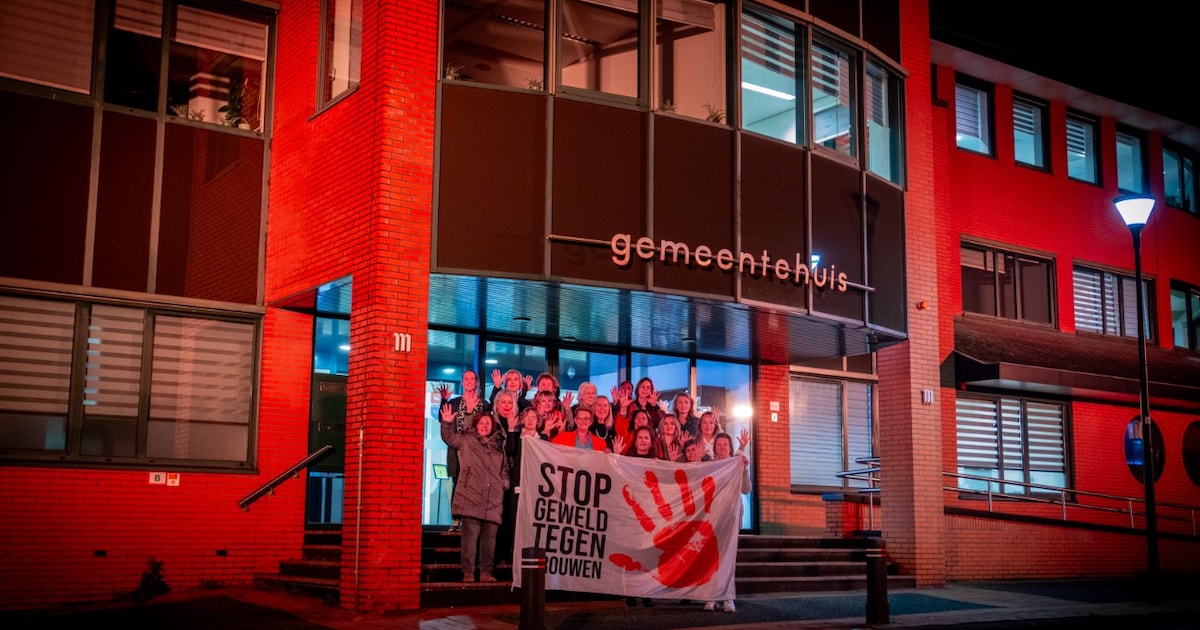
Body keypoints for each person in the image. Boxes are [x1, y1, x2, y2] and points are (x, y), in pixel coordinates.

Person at [439, 407, 508, 583]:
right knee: (469, 540)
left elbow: (504, 468)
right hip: (470, 496)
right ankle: (468, 572)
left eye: (488, 423)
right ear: (476, 425)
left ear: (493, 426)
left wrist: (503, 483)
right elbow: (450, 438)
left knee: (489, 541)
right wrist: (446, 423)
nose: (484, 426)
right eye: (481, 423)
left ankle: (486, 572)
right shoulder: (466, 440)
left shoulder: (499, 446)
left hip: (493, 499)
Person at [437, 370, 489, 531]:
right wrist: (444, 400)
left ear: (476, 382)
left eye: (472, 379)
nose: (469, 381)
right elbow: (442, 419)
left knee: (475, 484)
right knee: (458, 484)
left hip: (477, 452)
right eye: (466, 379)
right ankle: (456, 520)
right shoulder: (454, 402)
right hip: (457, 450)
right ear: (462, 382)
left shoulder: (483, 404)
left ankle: (472, 520)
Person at [706, 430, 751, 612]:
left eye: (725, 445)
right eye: (719, 445)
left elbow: (746, 489)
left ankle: (727, 597)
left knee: (728, 557)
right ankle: (711, 596)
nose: (722, 448)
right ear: (714, 447)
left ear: (730, 448)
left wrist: (744, 470)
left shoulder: (736, 464)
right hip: (713, 516)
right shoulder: (709, 465)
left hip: (731, 515)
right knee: (712, 557)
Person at [498, 406, 545, 566]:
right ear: (522, 420)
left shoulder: (543, 440)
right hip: (518, 488)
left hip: (537, 490)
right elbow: (510, 451)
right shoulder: (517, 437)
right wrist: (511, 430)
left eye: (533, 417)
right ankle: (515, 557)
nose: (530, 420)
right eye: (527, 417)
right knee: (516, 523)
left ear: (538, 421)